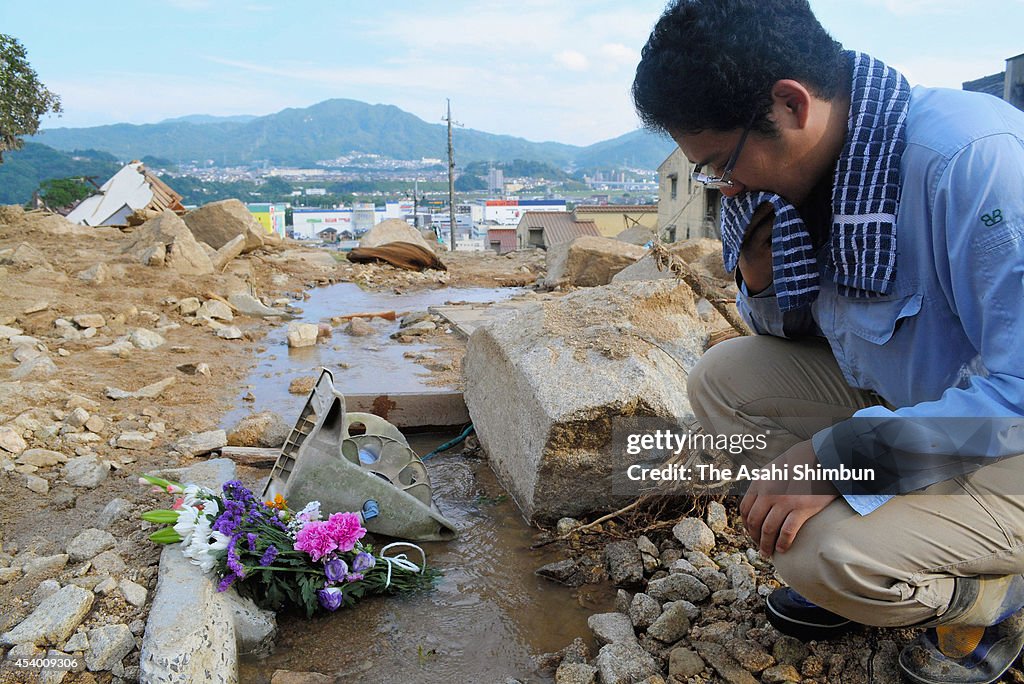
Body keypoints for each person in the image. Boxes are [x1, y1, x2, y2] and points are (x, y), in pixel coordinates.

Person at [632, 1, 1024, 682]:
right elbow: (838, 338)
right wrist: (758, 278)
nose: (727, 187)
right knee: (722, 380)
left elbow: (1018, 398)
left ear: (788, 105)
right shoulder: (824, 173)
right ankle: (904, 548)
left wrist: (840, 460)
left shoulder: (974, 164)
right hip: (932, 408)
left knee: (817, 553)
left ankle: (989, 597)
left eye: (721, 164)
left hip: (1009, 439)